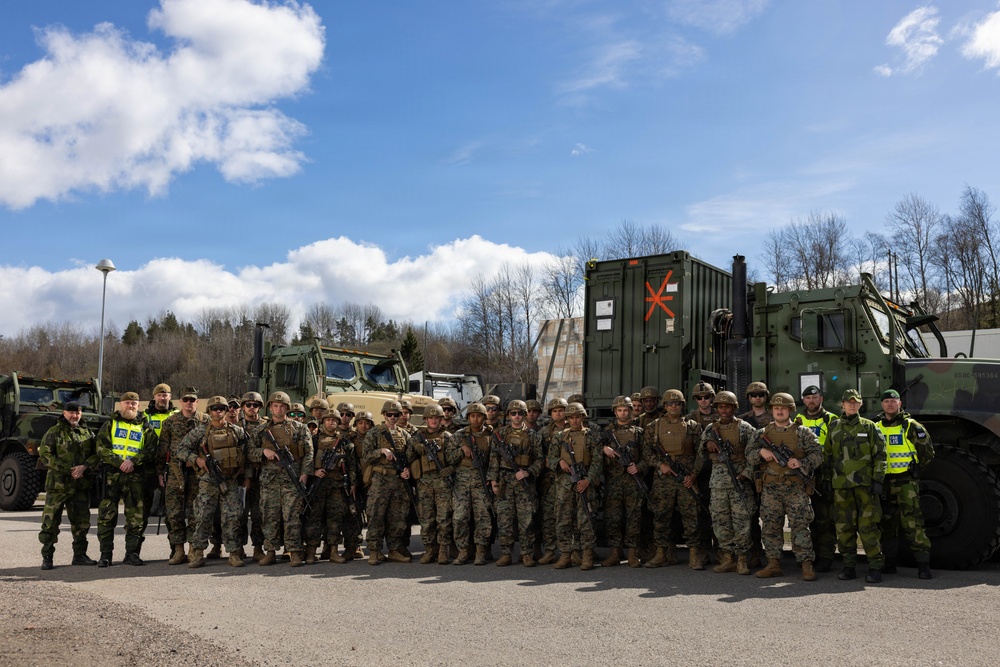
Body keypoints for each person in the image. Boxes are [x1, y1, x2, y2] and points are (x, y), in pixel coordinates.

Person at [747, 393, 823, 580]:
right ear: (772, 410)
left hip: (796, 488)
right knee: (771, 527)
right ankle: (773, 564)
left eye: (783, 408)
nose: (779, 411)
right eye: (776, 408)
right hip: (771, 488)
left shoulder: (803, 432)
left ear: (790, 410)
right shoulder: (761, 433)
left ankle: (806, 565)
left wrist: (801, 462)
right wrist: (761, 452)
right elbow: (748, 454)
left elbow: (818, 455)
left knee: (800, 527)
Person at [178, 396, 249, 568]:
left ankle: (233, 553)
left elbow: (247, 453)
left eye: (221, 409)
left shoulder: (236, 431)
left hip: (230, 480)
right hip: (208, 480)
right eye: (214, 409)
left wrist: (244, 476)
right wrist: (196, 460)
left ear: (226, 411)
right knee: (203, 516)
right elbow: (181, 449)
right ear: (209, 411)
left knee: (232, 517)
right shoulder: (201, 431)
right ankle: (198, 553)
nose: (218, 412)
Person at [247, 391, 314, 567]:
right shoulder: (260, 430)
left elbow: (309, 453)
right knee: (269, 517)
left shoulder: (299, 428)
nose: (278, 409)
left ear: (287, 408)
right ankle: (270, 551)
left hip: (292, 481)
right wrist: (264, 452)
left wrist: (305, 474)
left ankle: (295, 552)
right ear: (270, 407)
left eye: (282, 406)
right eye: (275, 406)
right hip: (269, 482)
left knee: (292, 517)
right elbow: (249, 452)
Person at [694, 391, 758, 575]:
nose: (723, 410)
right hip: (718, 484)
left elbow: (755, 454)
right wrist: (708, 445)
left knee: (742, 522)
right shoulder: (710, 430)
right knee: (721, 522)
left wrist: (746, 473)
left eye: (727, 406)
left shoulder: (745, 428)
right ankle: (728, 558)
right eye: (720, 407)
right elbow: (700, 453)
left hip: (740, 482)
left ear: (734, 408)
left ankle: (742, 560)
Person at [827, 389, 887, 583]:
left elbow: (880, 455)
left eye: (856, 402)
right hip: (841, 487)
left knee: (868, 527)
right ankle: (849, 566)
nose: (852, 405)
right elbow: (828, 456)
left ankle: (875, 567)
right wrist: (828, 480)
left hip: (866, 486)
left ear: (861, 404)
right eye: (848, 402)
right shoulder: (834, 427)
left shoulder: (870, 427)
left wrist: (878, 480)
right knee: (844, 527)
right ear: (842, 405)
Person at [875, 389, 934, 579]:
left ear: (899, 403)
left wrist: (913, 470)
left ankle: (923, 565)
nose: (890, 404)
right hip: (884, 483)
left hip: (905, 482)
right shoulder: (875, 427)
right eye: (886, 401)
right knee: (887, 524)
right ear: (882, 404)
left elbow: (927, 453)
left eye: (893, 401)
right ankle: (889, 563)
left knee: (913, 522)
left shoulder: (911, 426)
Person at [96, 392, 158, 567]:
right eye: (127, 403)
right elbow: (101, 449)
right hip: (111, 478)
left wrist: (133, 462)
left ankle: (132, 554)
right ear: (120, 405)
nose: (131, 406)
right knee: (106, 518)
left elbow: (151, 450)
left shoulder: (146, 428)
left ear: (139, 406)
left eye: (134, 403)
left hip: (136, 478)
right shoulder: (109, 425)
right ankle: (105, 555)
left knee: (136, 519)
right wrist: (120, 463)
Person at [643, 389, 704, 569]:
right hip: (664, 479)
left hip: (686, 478)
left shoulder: (693, 426)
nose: (673, 406)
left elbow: (701, 453)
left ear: (682, 405)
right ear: (665, 406)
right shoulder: (653, 426)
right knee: (661, 516)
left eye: (677, 403)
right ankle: (662, 553)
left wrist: (693, 474)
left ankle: (694, 555)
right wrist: (659, 465)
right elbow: (646, 452)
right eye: (670, 403)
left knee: (691, 517)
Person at [38, 401, 99, 570]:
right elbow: (45, 455)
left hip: (80, 485)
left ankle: (79, 555)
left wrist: (84, 467)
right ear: (64, 413)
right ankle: (47, 556)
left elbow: (97, 454)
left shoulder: (87, 433)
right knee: (50, 522)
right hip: (58, 485)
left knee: (81, 523)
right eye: (71, 413)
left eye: (78, 413)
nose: (75, 416)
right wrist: (69, 470)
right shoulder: (54, 432)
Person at [158, 387, 210, 565]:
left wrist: (197, 459)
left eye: (192, 400)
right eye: (186, 400)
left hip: (199, 474)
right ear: (180, 401)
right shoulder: (170, 422)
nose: (189, 403)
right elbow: (163, 448)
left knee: (197, 513)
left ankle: (194, 550)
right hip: (175, 474)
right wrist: (160, 472)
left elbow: (212, 446)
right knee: (174, 513)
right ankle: (178, 550)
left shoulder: (206, 421)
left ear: (197, 402)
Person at [488, 400, 543, 567]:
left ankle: (526, 553)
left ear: (525, 415)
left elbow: (540, 460)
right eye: (513, 413)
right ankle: (506, 553)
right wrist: (493, 480)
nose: (517, 416)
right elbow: (494, 459)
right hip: (505, 480)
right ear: (509, 415)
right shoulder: (501, 434)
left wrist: (528, 472)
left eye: (520, 413)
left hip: (524, 482)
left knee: (526, 519)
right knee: (505, 519)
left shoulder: (534, 435)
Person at [549, 402, 603, 570]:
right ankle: (566, 555)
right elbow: (549, 458)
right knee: (563, 520)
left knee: (586, 520)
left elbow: (597, 461)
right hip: (565, 483)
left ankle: (587, 555)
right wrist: (560, 462)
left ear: (582, 417)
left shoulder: (592, 436)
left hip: (585, 482)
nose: (574, 420)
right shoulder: (559, 437)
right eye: (571, 417)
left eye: (577, 417)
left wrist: (589, 479)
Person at [362, 400, 416, 564]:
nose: (393, 417)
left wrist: (406, 470)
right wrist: (381, 451)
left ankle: (394, 549)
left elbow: (409, 456)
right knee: (376, 515)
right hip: (380, 479)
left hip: (398, 481)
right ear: (384, 415)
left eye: (396, 415)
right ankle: (375, 551)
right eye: (389, 415)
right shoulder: (375, 433)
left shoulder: (405, 435)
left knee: (398, 517)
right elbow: (366, 455)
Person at [305, 409, 360, 563]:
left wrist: (353, 484)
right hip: (319, 484)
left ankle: (334, 551)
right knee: (314, 518)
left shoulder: (345, 442)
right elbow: (306, 459)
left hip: (337, 485)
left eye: (334, 420)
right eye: (328, 420)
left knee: (335, 519)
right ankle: (311, 552)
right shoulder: (314, 440)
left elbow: (351, 465)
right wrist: (314, 472)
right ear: (323, 422)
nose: (331, 423)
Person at [446, 402, 494, 565]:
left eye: (479, 416)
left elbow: (495, 460)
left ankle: (481, 551)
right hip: (462, 481)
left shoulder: (491, 436)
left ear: (484, 417)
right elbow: (449, 458)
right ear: (468, 418)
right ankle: (463, 551)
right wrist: (462, 451)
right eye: (472, 416)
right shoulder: (459, 436)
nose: (475, 419)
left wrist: (491, 478)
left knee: (483, 517)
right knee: (460, 517)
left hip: (481, 481)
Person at [600, 395, 645, 567]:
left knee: (634, 517)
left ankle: (632, 554)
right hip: (614, 481)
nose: (623, 413)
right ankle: (614, 553)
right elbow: (594, 452)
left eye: (626, 410)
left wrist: (639, 467)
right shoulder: (607, 432)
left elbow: (648, 456)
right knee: (613, 518)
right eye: (619, 410)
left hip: (633, 481)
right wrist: (604, 449)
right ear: (615, 412)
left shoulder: (639, 433)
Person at [796, 385, 836, 572]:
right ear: (803, 400)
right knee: (806, 519)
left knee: (825, 519)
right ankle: (809, 556)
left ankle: (826, 557)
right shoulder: (797, 420)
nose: (811, 401)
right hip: (803, 475)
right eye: (808, 398)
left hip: (824, 475)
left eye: (814, 397)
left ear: (821, 399)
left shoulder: (832, 420)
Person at [412, 404, 455, 564]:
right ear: (425, 419)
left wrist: (450, 468)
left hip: (442, 483)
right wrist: (415, 447)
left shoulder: (447, 437)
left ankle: (443, 549)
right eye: (431, 418)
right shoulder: (417, 437)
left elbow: (455, 459)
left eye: (437, 418)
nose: (434, 421)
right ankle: (430, 549)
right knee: (426, 519)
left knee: (443, 518)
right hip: (424, 483)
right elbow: (408, 458)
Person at [536, 397, 568, 564]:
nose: (558, 413)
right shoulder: (544, 433)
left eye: (561, 410)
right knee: (548, 516)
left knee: (569, 516)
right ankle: (549, 550)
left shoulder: (576, 429)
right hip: (550, 480)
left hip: (570, 479)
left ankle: (570, 551)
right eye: (555, 411)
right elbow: (540, 458)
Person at [237, 391, 268, 561]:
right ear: (243, 407)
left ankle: (258, 548)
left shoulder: (266, 426)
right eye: (248, 405)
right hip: (240, 477)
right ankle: (239, 548)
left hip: (261, 476)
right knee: (239, 514)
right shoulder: (236, 426)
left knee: (258, 514)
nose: (251, 408)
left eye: (255, 405)